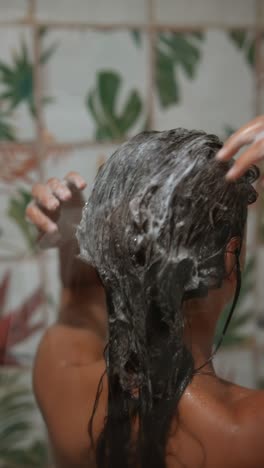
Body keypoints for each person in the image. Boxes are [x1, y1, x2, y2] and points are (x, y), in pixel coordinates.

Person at [26, 116, 264, 468]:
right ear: (230, 259)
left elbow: (77, 310)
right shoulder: (247, 433)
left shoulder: (59, 375)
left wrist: (72, 234)